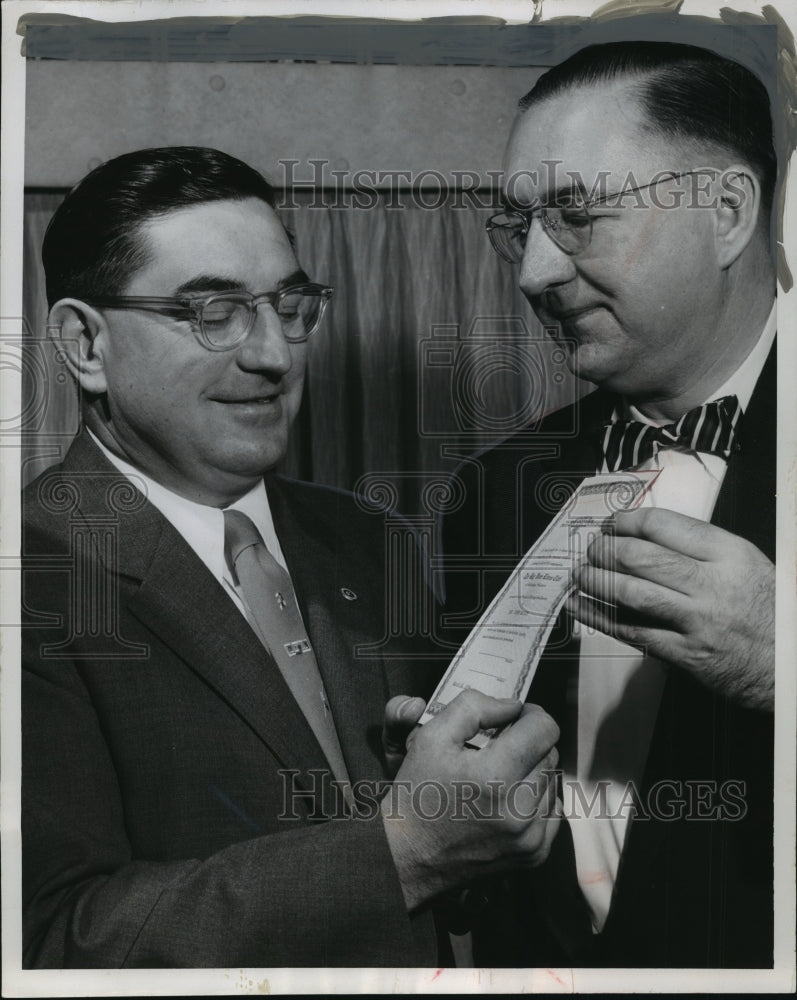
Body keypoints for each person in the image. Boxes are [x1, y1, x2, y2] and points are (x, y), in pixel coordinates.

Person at [21, 146, 562, 968]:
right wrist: (404, 848)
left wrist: (492, 814)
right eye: (214, 312)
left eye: (290, 304)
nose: (274, 355)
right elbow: (52, 943)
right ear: (85, 344)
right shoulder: (29, 574)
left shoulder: (365, 539)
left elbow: (450, 871)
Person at [442, 41, 777, 967]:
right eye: (520, 227)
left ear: (725, 213)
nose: (532, 272)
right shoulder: (493, 489)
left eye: (577, 215)